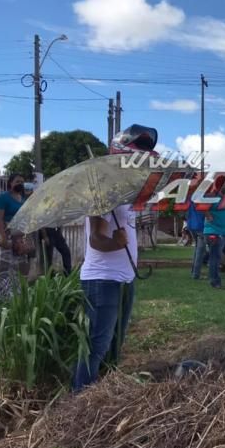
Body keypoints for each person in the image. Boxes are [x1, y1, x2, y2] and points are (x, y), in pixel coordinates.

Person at [73, 125, 157, 391]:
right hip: (102, 280)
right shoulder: (103, 192)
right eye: (136, 156)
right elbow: (96, 241)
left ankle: (103, 395)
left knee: (114, 343)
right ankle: (78, 399)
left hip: (124, 279)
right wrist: (115, 242)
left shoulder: (126, 193)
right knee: (98, 343)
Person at [0, 173, 33, 294]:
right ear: (10, 183)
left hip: (21, 237)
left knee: (21, 264)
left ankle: (19, 293)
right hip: (8, 235)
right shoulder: (3, 198)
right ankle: (1, 294)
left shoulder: (24, 199)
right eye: (17, 181)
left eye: (22, 182)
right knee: (6, 265)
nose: (20, 184)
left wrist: (28, 238)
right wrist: (4, 239)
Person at [186, 175, 208, 280]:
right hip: (200, 226)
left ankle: (194, 271)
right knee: (200, 250)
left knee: (197, 250)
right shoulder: (202, 197)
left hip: (192, 225)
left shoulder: (192, 196)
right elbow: (204, 211)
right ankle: (196, 274)